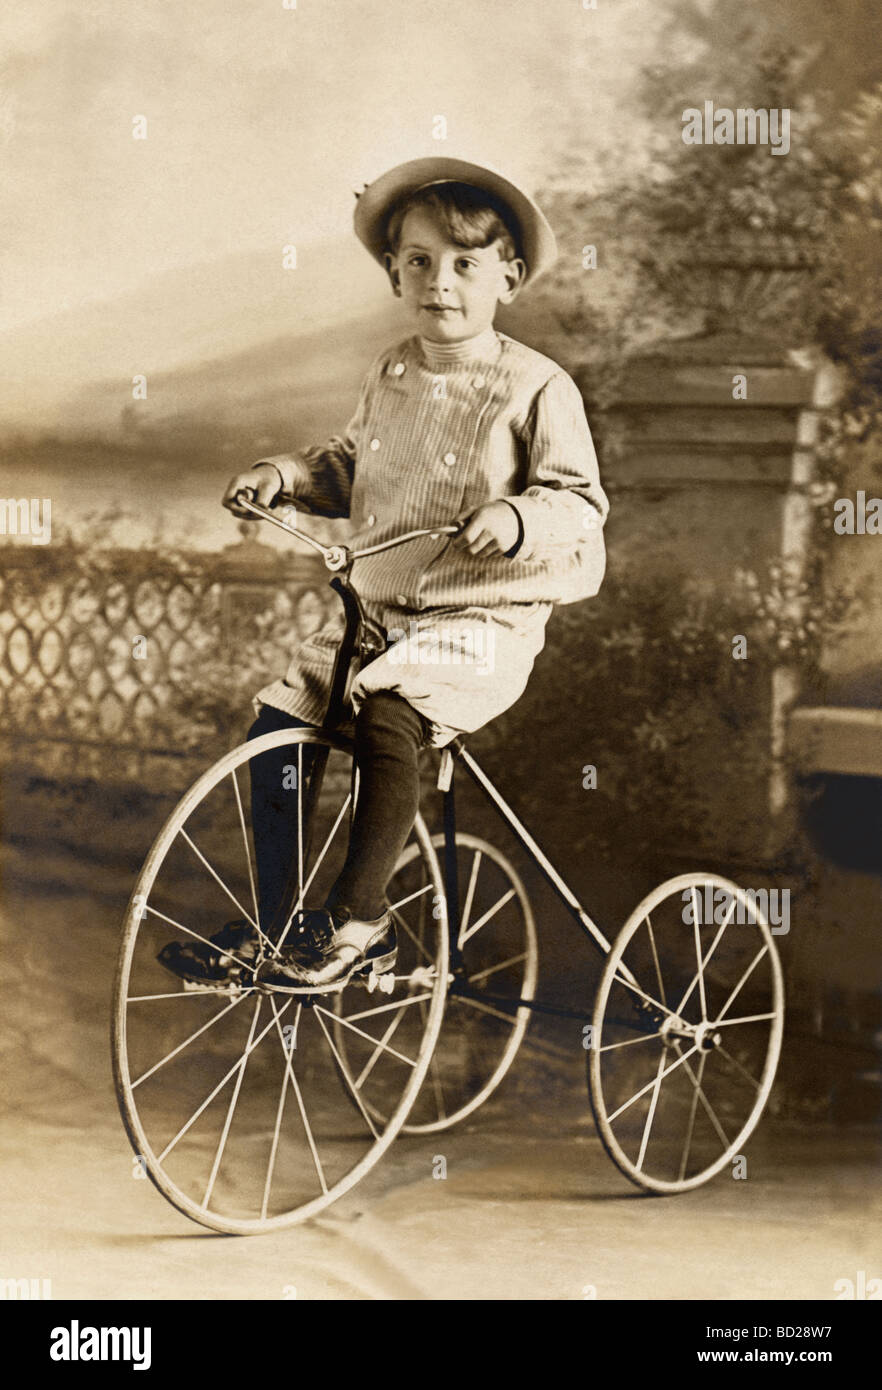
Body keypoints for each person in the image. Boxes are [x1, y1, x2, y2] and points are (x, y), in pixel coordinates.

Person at [158, 155, 609, 994]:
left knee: (392, 712)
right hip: (376, 615)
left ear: (507, 277)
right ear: (394, 273)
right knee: (278, 719)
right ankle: (283, 926)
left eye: (466, 264)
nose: (441, 282)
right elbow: (357, 468)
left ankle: (359, 923)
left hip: (482, 621)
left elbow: (578, 505)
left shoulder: (537, 386)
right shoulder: (393, 372)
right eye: (419, 262)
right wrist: (286, 476)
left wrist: (514, 517)